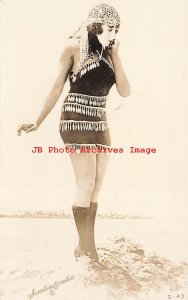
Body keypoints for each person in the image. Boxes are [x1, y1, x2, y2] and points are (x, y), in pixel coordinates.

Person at [17, 3, 131, 269]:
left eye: (116, 28)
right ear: (95, 25)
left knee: (98, 183)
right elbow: (56, 86)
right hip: (75, 115)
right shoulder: (72, 47)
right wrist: (37, 121)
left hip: (100, 120)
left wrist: (116, 54)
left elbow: (125, 91)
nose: (113, 32)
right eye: (109, 27)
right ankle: (88, 251)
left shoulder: (108, 52)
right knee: (86, 181)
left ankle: (85, 246)